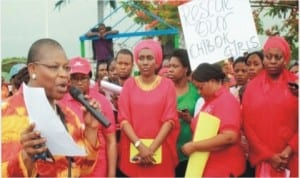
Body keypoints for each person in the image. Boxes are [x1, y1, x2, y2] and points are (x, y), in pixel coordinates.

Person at [1, 38, 101, 177]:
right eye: (54, 67)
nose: (64, 74)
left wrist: (91, 130)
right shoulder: (5, 113)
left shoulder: (69, 116)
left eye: (66, 68)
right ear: (32, 69)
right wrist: (26, 157)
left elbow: (83, 169)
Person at [117, 39, 179, 177]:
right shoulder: (129, 85)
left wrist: (150, 150)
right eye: (141, 58)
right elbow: (123, 119)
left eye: (149, 58)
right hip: (134, 150)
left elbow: (170, 120)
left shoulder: (168, 85)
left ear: (157, 60)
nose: (145, 62)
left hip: (160, 152)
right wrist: (140, 146)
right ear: (136, 61)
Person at [242, 36, 298, 177]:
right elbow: (247, 125)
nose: (272, 61)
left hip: (293, 157)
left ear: (285, 59)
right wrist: (269, 155)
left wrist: (289, 150)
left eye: (277, 57)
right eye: (268, 57)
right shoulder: (252, 88)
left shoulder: (296, 84)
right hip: (265, 160)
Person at [181, 63, 245, 177]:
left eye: (200, 87)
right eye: (196, 88)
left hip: (223, 168)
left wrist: (195, 146)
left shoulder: (226, 100)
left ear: (212, 81)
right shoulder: (209, 101)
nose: (199, 92)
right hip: (207, 166)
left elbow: (229, 136)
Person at [59, 57, 117, 177]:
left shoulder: (102, 101)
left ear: (89, 78)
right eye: (75, 78)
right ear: (69, 79)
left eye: (83, 78)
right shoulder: (60, 102)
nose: (79, 82)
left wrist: (111, 175)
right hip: (70, 169)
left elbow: (111, 141)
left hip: (97, 168)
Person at [167, 48, 199, 177]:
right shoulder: (164, 88)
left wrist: (190, 119)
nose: (170, 69)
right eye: (169, 66)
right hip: (168, 149)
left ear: (186, 69)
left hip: (190, 150)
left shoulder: (196, 91)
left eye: (175, 66)